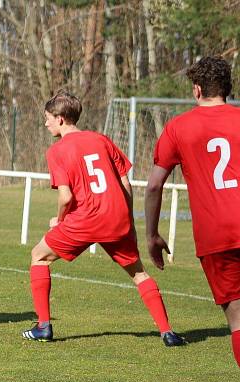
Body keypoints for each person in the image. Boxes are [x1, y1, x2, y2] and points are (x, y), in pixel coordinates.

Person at [21, 91, 183, 346]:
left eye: (48, 118)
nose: (46, 123)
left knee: (38, 257)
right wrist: (127, 219)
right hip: (116, 218)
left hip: (84, 219)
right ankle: (167, 333)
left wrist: (60, 220)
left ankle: (43, 326)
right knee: (139, 273)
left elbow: (65, 197)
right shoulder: (101, 140)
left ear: (61, 119)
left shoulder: (57, 151)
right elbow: (125, 183)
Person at [146, 56, 240, 366]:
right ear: (228, 88)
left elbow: (154, 186)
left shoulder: (178, 127)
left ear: (197, 90)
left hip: (216, 236)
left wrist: (151, 235)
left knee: (238, 320)